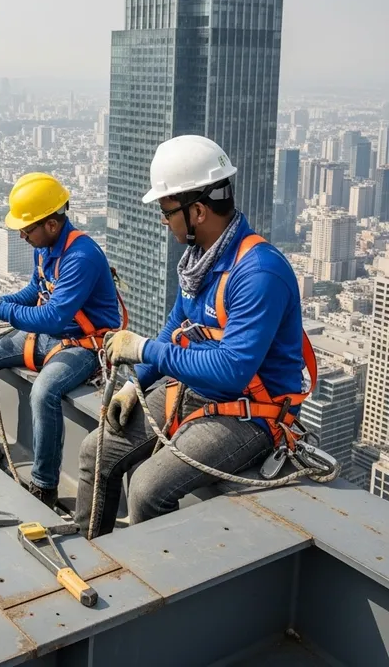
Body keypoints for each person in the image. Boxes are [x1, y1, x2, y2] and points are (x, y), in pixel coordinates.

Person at [75, 135, 311, 536]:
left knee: (148, 490)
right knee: (95, 451)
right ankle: (90, 551)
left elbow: (232, 370)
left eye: (167, 212)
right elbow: (176, 329)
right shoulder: (200, 261)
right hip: (193, 388)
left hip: (251, 412)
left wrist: (144, 348)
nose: (164, 222)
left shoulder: (257, 273)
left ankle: (155, 580)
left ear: (197, 210)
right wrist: (138, 382)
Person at [0, 173, 122, 508]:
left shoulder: (81, 256)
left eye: (27, 228)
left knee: (43, 393)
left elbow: (53, 317)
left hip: (84, 345)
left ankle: (44, 485)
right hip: (51, 336)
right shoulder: (47, 247)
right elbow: (36, 291)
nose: (21, 234)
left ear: (51, 224)